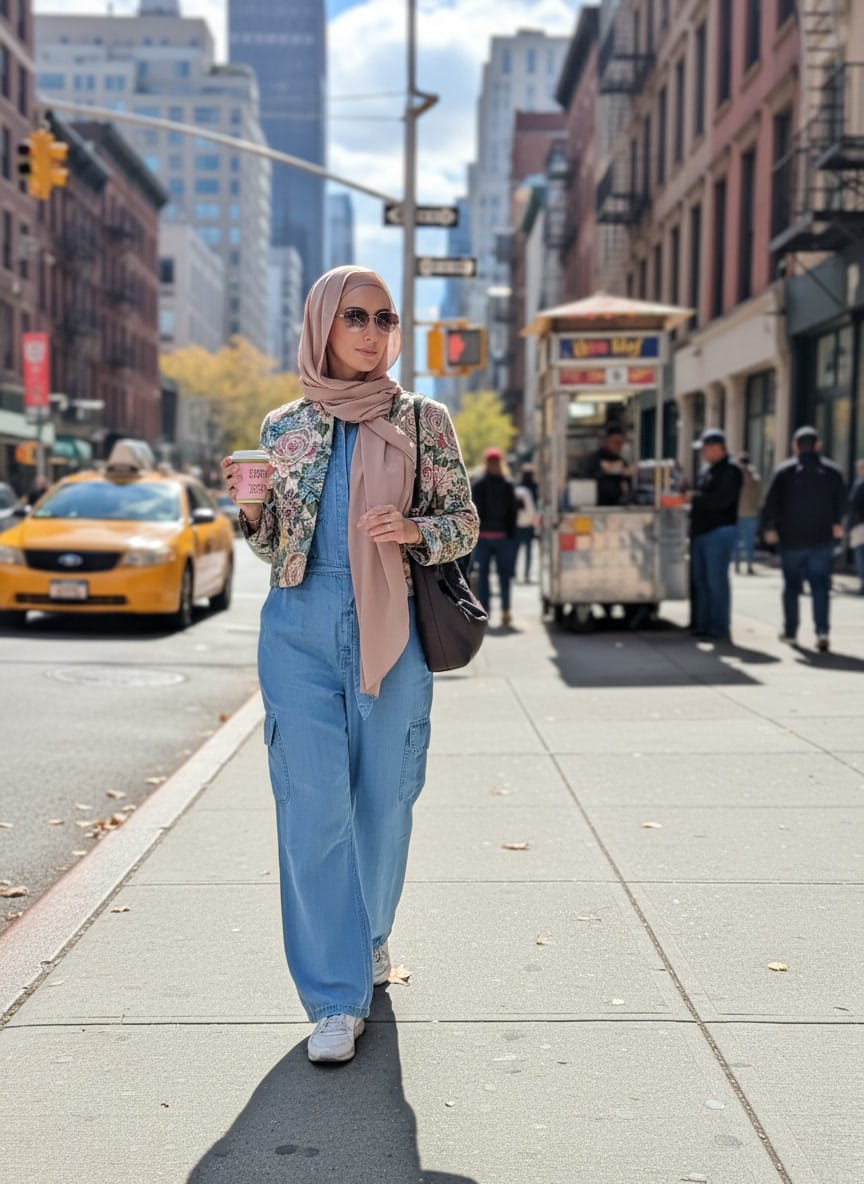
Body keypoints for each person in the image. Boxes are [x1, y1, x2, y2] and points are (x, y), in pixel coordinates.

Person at [221, 266, 478, 1065]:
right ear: (323, 326)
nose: (372, 331)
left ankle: (367, 934)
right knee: (311, 806)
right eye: (355, 317)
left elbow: (465, 520)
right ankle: (334, 998)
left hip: (391, 623)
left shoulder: (423, 420)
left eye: (386, 317)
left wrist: (415, 531)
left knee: (385, 803)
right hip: (298, 624)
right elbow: (269, 549)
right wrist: (252, 510)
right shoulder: (283, 426)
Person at [762, 425, 846, 651]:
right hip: (821, 539)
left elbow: (770, 505)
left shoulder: (784, 472)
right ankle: (822, 630)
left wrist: (769, 529)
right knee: (820, 586)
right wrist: (837, 524)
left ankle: (790, 631)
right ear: (818, 445)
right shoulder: (832, 472)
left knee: (791, 586)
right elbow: (842, 503)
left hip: (791, 540)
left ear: (794, 446)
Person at [687, 428, 742, 641]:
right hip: (702, 532)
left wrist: (694, 498)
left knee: (715, 581)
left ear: (717, 448)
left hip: (718, 532)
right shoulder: (708, 470)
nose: (703, 453)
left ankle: (718, 626)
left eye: (705, 449)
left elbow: (720, 501)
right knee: (700, 580)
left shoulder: (731, 471)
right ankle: (702, 623)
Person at [470, 447, 518, 627]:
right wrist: (511, 536)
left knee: (484, 577)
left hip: (483, 538)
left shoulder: (478, 485)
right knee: (503, 576)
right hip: (502, 538)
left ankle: (486, 612)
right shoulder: (508, 485)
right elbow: (513, 513)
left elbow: (475, 513)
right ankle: (505, 611)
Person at [579, 422, 635, 506]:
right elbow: (584, 481)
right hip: (594, 506)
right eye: (615, 442)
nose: (618, 446)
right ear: (606, 441)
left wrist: (626, 476)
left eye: (621, 443)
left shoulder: (622, 462)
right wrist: (606, 471)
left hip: (616, 507)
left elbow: (628, 487)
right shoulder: (592, 460)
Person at [734, 451, 762, 574]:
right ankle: (749, 565)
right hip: (751, 513)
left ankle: (737, 565)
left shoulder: (735, 474)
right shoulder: (754, 475)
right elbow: (759, 495)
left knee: (736, 541)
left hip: (737, 512)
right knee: (750, 541)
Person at [514, 465, 538, 583]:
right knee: (528, 550)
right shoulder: (534, 488)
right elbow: (535, 507)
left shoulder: (518, 487)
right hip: (529, 523)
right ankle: (526, 574)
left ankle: (513, 573)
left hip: (518, 523)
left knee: (516, 550)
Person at [848, 459, 864, 594]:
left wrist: (849, 526)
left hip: (860, 525)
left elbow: (852, 505)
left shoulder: (859, 485)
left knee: (860, 554)